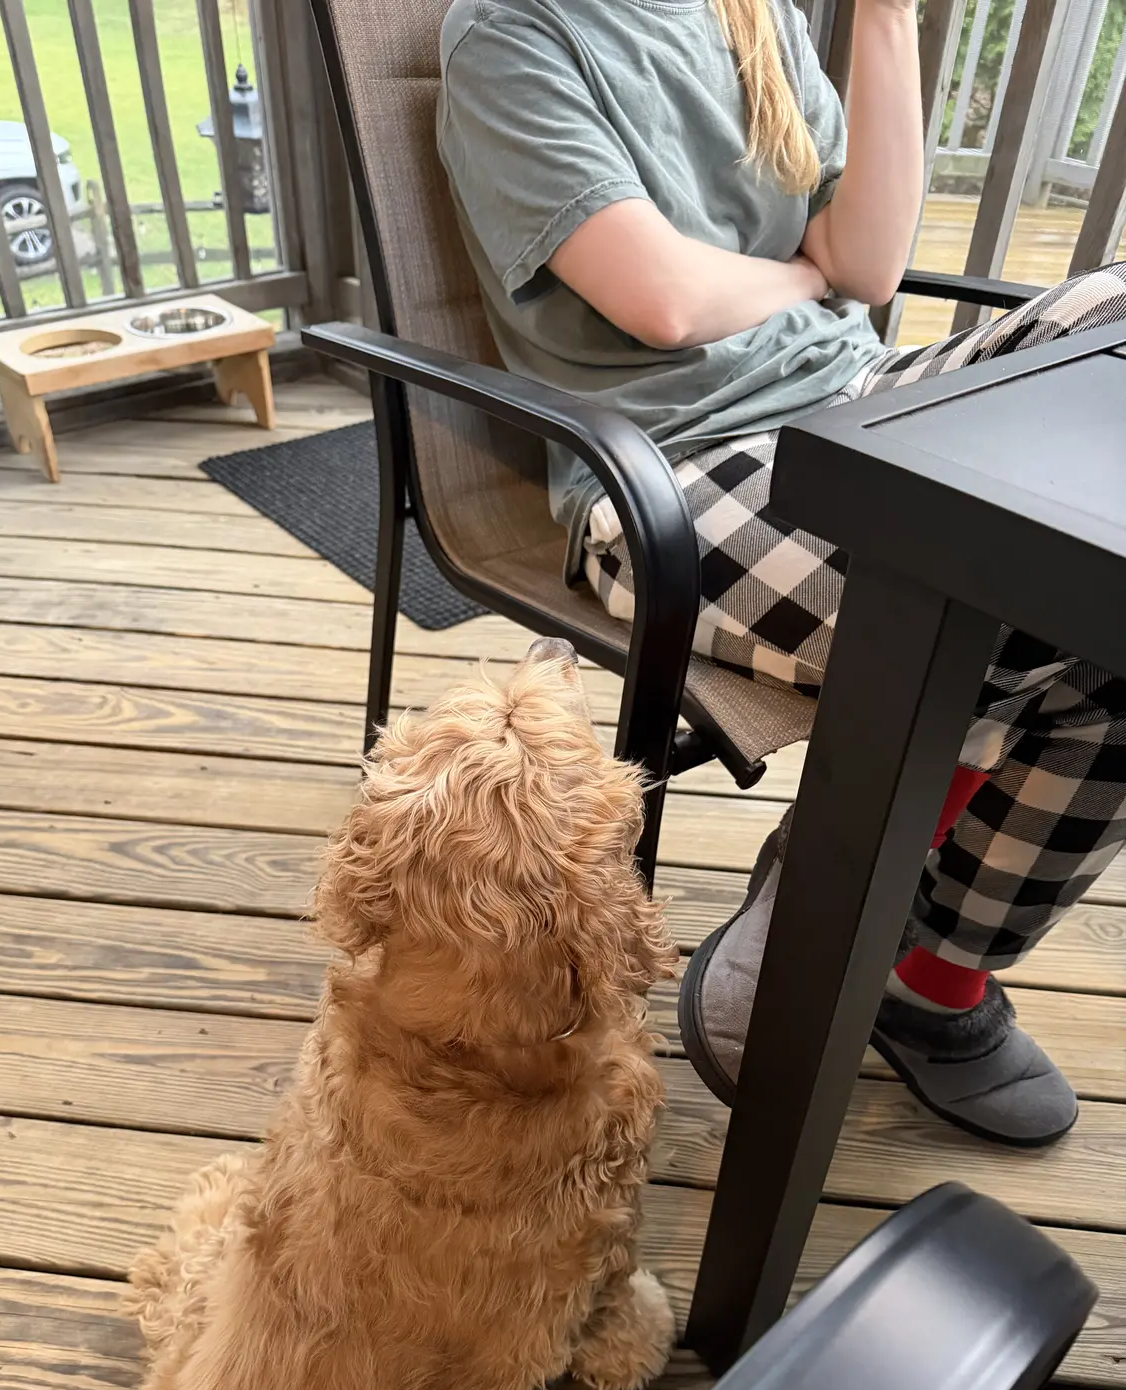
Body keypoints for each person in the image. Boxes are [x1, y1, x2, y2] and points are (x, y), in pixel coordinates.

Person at [436, 0, 1126, 1147]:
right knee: (1054, 600)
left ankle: (890, 932)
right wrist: (803, 280)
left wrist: (890, 24)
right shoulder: (511, 33)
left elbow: (868, 260)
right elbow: (663, 304)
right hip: (673, 473)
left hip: (867, 405)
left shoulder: (744, 12)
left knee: (1113, 317)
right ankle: (883, 928)